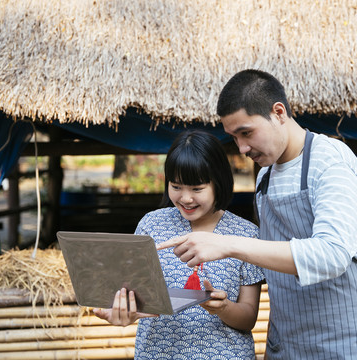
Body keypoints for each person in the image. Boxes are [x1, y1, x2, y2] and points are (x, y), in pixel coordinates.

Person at [158, 69, 357, 359]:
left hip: (344, 341)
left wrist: (228, 244)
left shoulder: (330, 164)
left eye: (247, 133)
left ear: (278, 112)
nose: (241, 148)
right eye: (234, 137)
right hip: (287, 341)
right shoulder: (266, 175)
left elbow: (332, 254)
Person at [94, 129, 265, 360]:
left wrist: (223, 307)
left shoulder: (246, 234)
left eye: (197, 189)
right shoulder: (151, 226)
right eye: (176, 186)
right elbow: (134, 296)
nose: (185, 198)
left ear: (219, 183)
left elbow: (248, 318)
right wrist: (125, 313)